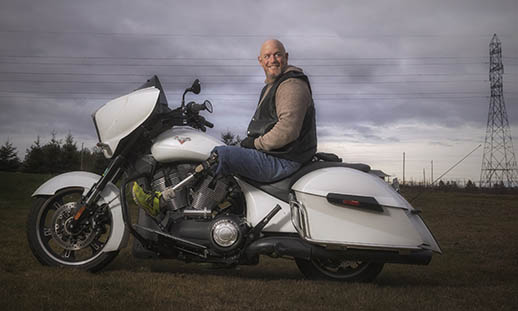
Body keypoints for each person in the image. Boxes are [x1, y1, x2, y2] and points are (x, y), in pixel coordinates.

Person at [212, 39, 317, 183]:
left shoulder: (291, 84)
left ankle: (195, 204)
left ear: (286, 57)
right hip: (275, 155)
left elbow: (287, 130)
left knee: (220, 156)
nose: (272, 60)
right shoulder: (271, 86)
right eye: (267, 56)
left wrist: (255, 144)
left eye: (277, 55)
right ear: (260, 61)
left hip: (284, 159)